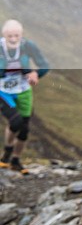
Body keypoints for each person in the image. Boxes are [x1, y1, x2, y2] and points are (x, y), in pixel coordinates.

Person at [0, 19, 50, 175]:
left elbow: (44, 65)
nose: (13, 39)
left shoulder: (28, 46)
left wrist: (36, 74)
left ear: (21, 35)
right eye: (10, 36)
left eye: (16, 35)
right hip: (3, 91)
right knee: (15, 121)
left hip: (23, 90)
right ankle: (7, 152)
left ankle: (15, 160)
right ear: (4, 35)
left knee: (24, 129)